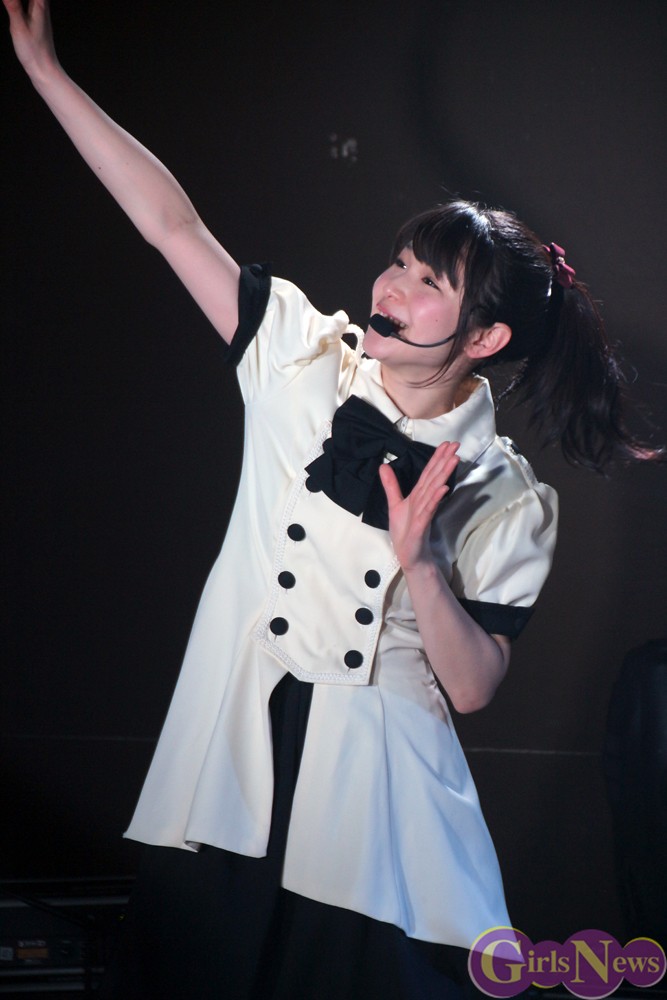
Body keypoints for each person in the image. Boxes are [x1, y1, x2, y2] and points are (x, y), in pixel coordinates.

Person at [4, 2, 662, 998]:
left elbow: (473, 687)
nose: (390, 287)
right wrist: (49, 74)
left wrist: (422, 566)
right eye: (398, 262)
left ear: (484, 338)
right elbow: (171, 225)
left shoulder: (504, 492)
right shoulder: (299, 357)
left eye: (426, 281)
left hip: (379, 796)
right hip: (233, 750)